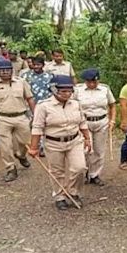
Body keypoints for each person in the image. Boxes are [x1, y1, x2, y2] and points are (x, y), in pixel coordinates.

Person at [28, 75, 91, 210]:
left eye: (70, 91)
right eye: (63, 91)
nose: (67, 94)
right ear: (54, 90)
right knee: (57, 171)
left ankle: (73, 192)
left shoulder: (76, 104)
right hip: (53, 143)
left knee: (80, 168)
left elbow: (82, 122)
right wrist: (34, 148)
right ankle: (60, 196)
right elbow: (37, 127)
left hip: (75, 140)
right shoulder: (43, 106)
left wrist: (87, 138)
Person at [0, 59, 35, 182]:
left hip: (21, 116)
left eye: (7, 70)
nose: (5, 72)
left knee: (26, 142)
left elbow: (30, 98)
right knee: (5, 146)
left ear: (12, 71)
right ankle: (11, 168)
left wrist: (36, 115)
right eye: (2, 70)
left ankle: (21, 156)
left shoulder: (21, 82)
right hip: (2, 118)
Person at [74, 68, 116, 185]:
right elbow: (71, 105)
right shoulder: (77, 90)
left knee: (99, 150)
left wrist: (112, 120)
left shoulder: (105, 89)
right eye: (89, 82)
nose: (92, 84)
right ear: (85, 81)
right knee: (86, 150)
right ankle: (84, 172)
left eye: (94, 82)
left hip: (101, 122)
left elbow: (112, 105)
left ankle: (94, 174)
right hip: (84, 123)